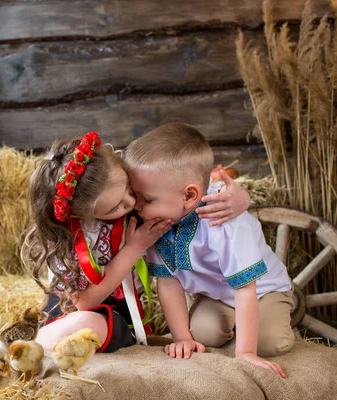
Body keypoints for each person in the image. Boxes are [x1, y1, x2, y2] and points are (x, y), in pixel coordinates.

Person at [21, 131, 251, 353]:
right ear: (81, 215)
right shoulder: (68, 237)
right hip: (75, 309)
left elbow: (194, 178)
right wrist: (135, 247)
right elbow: (80, 304)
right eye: (115, 208)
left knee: (90, 327)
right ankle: (32, 344)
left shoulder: (140, 195)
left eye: (129, 189)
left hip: (121, 314)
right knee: (81, 323)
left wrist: (241, 197)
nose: (132, 203)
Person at [125, 123, 293, 378]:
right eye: (134, 196)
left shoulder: (224, 222)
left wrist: (246, 353)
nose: (136, 206)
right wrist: (182, 338)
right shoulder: (157, 223)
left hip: (261, 290)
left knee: (270, 343)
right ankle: (227, 322)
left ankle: (269, 317)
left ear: (190, 196)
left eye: (146, 199)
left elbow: (245, 287)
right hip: (216, 295)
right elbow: (168, 282)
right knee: (203, 335)